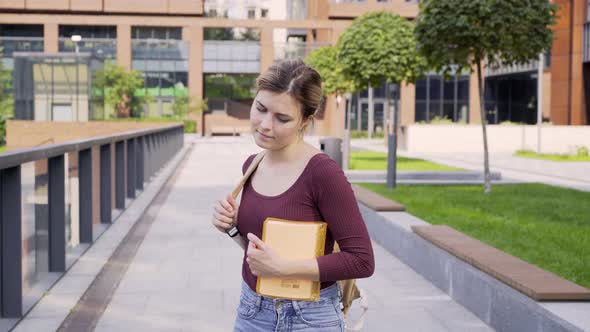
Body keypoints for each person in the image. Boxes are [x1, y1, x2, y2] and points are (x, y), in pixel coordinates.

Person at [211, 59, 375, 332]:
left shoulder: (323, 173)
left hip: (309, 318)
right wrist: (232, 226)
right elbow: (261, 257)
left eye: (282, 118)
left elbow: (362, 260)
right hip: (252, 312)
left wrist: (284, 268)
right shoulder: (252, 165)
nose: (265, 125)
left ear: (305, 121)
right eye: (260, 108)